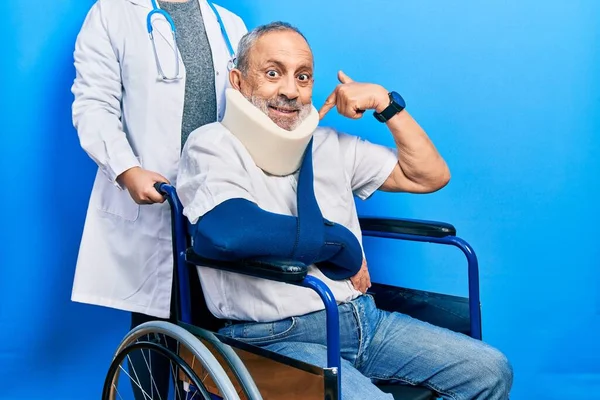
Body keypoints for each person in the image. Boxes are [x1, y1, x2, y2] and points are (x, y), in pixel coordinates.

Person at [177, 21, 513, 399]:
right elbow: (228, 231)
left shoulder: (328, 144)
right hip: (274, 337)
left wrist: (386, 105)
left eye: (302, 77)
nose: (290, 90)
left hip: (363, 320)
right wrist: (340, 243)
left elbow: (428, 176)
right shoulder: (213, 144)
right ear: (237, 81)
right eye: (273, 73)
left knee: (490, 370)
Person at [70, 0, 247, 397]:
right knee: (155, 334)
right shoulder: (112, 13)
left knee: (218, 343)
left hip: (217, 205)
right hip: (156, 204)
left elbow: (253, 105)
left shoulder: (229, 23)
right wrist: (126, 169)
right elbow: (93, 104)